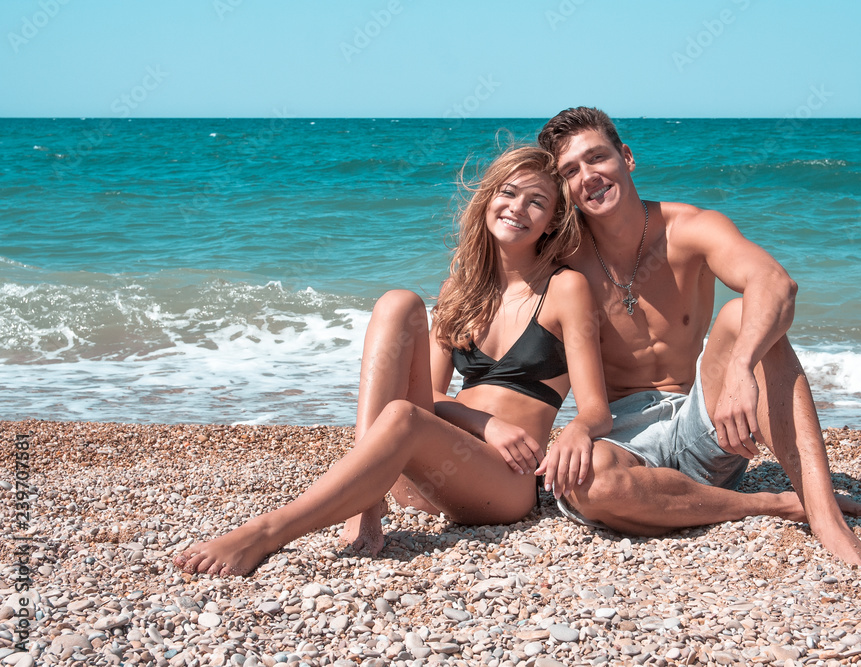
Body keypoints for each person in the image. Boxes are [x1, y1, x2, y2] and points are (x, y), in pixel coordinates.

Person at [173, 145, 613, 576]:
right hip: (419, 475)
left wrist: (575, 432)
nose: (518, 207)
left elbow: (596, 410)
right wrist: (485, 423)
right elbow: (431, 396)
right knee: (398, 302)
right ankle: (367, 498)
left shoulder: (565, 288)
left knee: (403, 416)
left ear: (553, 219)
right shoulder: (458, 290)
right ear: (488, 198)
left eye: (536, 202)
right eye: (509, 192)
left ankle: (266, 532)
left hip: (500, 484)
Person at [536, 107, 861, 574]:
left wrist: (740, 369)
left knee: (742, 314)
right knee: (590, 489)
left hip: (700, 424)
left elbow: (775, 283)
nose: (588, 177)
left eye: (597, 158)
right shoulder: (562, 256)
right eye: (570, 171)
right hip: (620, 432)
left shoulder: (690, 229)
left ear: (626, 157)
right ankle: (775, 504)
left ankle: (826, 518)